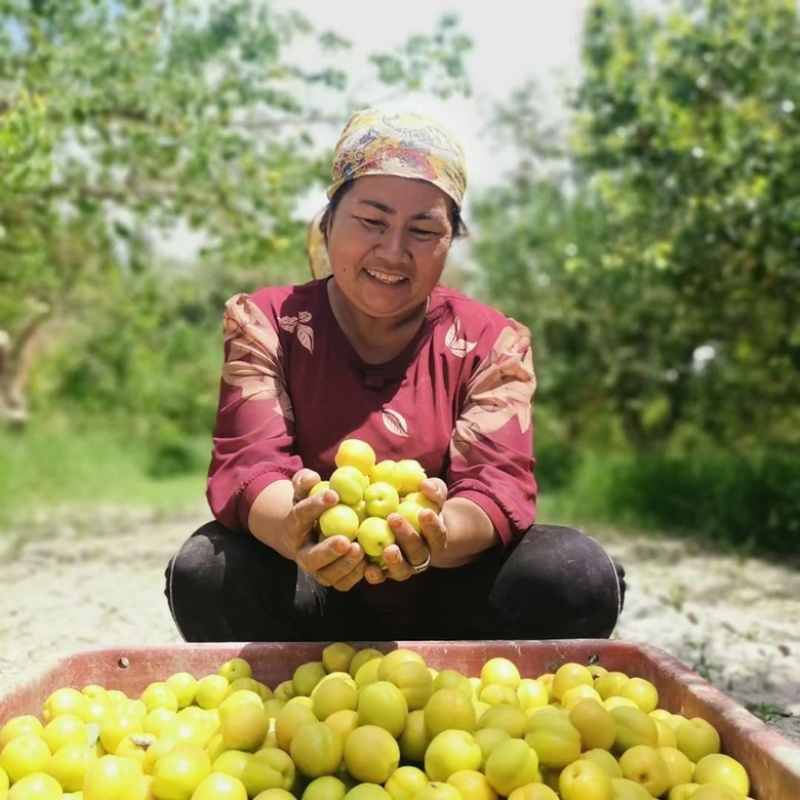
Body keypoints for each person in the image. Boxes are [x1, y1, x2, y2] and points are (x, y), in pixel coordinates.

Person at [164, 107, 625, 643]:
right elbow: (251, 462)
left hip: (450, 597)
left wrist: (432, 537)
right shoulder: (269, 323)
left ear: (451, 240)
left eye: (424, 230)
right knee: (208, 570)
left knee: (574, 575)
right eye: (371, 221)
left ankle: (451, 676)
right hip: (311, 594)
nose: (392, 250)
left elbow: (497, 484)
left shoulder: (491, 343)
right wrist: (300, 533)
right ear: (328, 221)